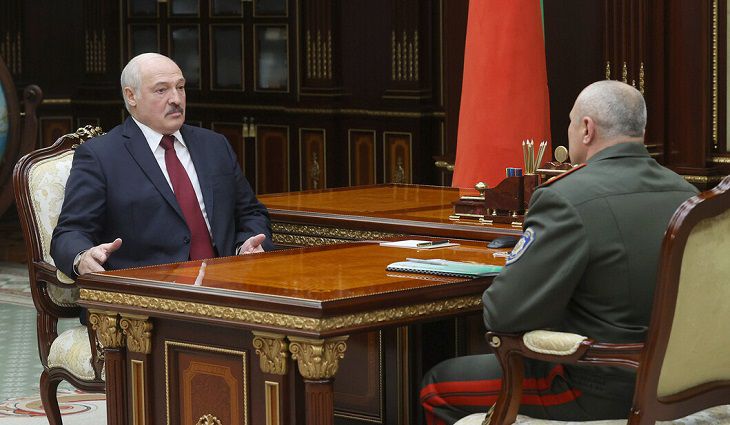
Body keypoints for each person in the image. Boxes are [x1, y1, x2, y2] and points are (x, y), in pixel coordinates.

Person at [420, 80, 699, 424]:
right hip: (677, 385)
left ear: (587, 129)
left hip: (594, 386)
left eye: (570, 122)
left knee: (436, 386)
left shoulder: (566, 199)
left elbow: (504, 313)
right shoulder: (686, 194)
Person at [51, 52, 273, 280]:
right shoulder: (101, 156)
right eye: (161, 90)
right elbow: (70, 232)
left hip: (228, 281)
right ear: (131, 96)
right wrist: (83, 257)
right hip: (149, 290)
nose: (176, 99)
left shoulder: (215, 145)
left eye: (180, 87)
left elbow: (251, 212)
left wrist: (245, 245)